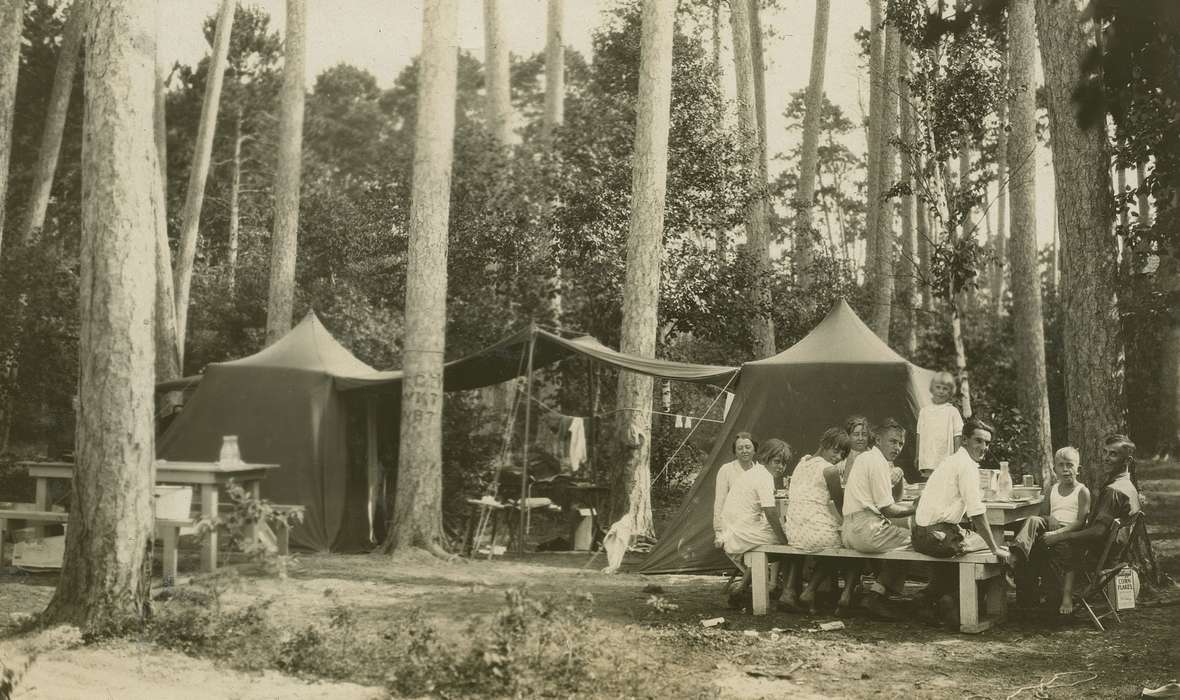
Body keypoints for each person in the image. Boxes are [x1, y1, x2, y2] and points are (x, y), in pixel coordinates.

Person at [1017, 434, 1141, 615]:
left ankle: (1037, 599)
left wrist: (1060, 536)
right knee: (1039, 538)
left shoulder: (1114, 491)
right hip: (1112, 552)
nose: (1106, 458)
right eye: (1105, 453)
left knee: (1037, 546)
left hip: (1094, 555)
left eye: (1113, 454)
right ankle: (1042, 596)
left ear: (1127, 460)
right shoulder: (1127, 484)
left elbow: (1098, 532)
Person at [911, 418, 1011, 625]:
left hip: (919, 535)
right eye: (978, 441)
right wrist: (994, 548)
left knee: (970, 538)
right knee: (994, 545)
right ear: (964, 440)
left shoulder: (950, 461)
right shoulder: (966, 466)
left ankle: (930, 596)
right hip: (936, 539)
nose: (983, 447)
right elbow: (977, 512)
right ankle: (955, 599)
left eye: (987, 443)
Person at [841, 418, 917, 619]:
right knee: (920, 541)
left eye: (901, 443)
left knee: (902, 539)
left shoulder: (869, 459)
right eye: (892, 441)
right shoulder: (877, 463)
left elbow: (892, 499)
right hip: (866, 530)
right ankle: (877, 597)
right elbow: (889, 509)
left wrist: (898, 477)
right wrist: (917, 508)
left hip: (850, 530)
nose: (897, 447)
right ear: (878, 440)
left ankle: (877, 593)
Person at [1010, 447, 1091, 611]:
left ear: (1078, 469)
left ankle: (1066, 597)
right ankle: (1017, 551)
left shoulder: (1082, 491)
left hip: (1068, 533)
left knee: (1067, 557)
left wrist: (1058, 533)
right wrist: (1050, 519)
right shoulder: (1052, 489)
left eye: (1070, 465)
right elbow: (1043, 514)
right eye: (1061, 465)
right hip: (1049, 528)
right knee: (1033, 520)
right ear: (1055, 469)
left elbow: (1080, 522)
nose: (1066, 469)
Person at [782, 427, 851, 612]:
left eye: (842, 454)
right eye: (835, 451)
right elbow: (840, 504)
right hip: (814, 533)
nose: (838, 457)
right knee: (841, 544)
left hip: (793, 529)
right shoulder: (830, 470)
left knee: (801, 542)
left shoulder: (802, 462)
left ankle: (788, 591)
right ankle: (810, 591)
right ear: (825, 444)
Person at [720, 439, 791, 556]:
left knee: (784, 535)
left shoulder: (756, 472)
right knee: (794, 540)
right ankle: (790, 573)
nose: (781, 467)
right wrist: (785, 542)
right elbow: (770, 512)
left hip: (731, 532)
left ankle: (752, 574)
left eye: (784, 463)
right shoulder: (764, 476)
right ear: (765, 459)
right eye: (777, 462)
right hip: (741, 535)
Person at [915, 371, 964, 479]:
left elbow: (957, 436)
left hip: (945, 458)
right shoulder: (924, 411)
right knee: (929, 485)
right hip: (927, 458)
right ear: (932, 389)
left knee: (944, 484)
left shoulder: (952, 411)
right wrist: (918, 455)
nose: (941, 391)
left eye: (945, 388)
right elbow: (919, 434)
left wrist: (957, 458)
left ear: (950, 392)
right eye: (938, 387)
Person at [714, 432, 758, 550]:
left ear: (754, 450)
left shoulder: (759, 471)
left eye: (748, 447)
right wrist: (718, 531)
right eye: (740, 448)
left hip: (754, 523)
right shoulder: (726, 470)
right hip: (732, 523)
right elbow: (720, 501)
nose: (744, 451)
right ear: (735, 452)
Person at [834, 415, 870, 486]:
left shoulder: (874, 455)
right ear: (848, 436)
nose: (860, 438)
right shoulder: (841, 457)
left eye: (864, 434)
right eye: (856, 435)